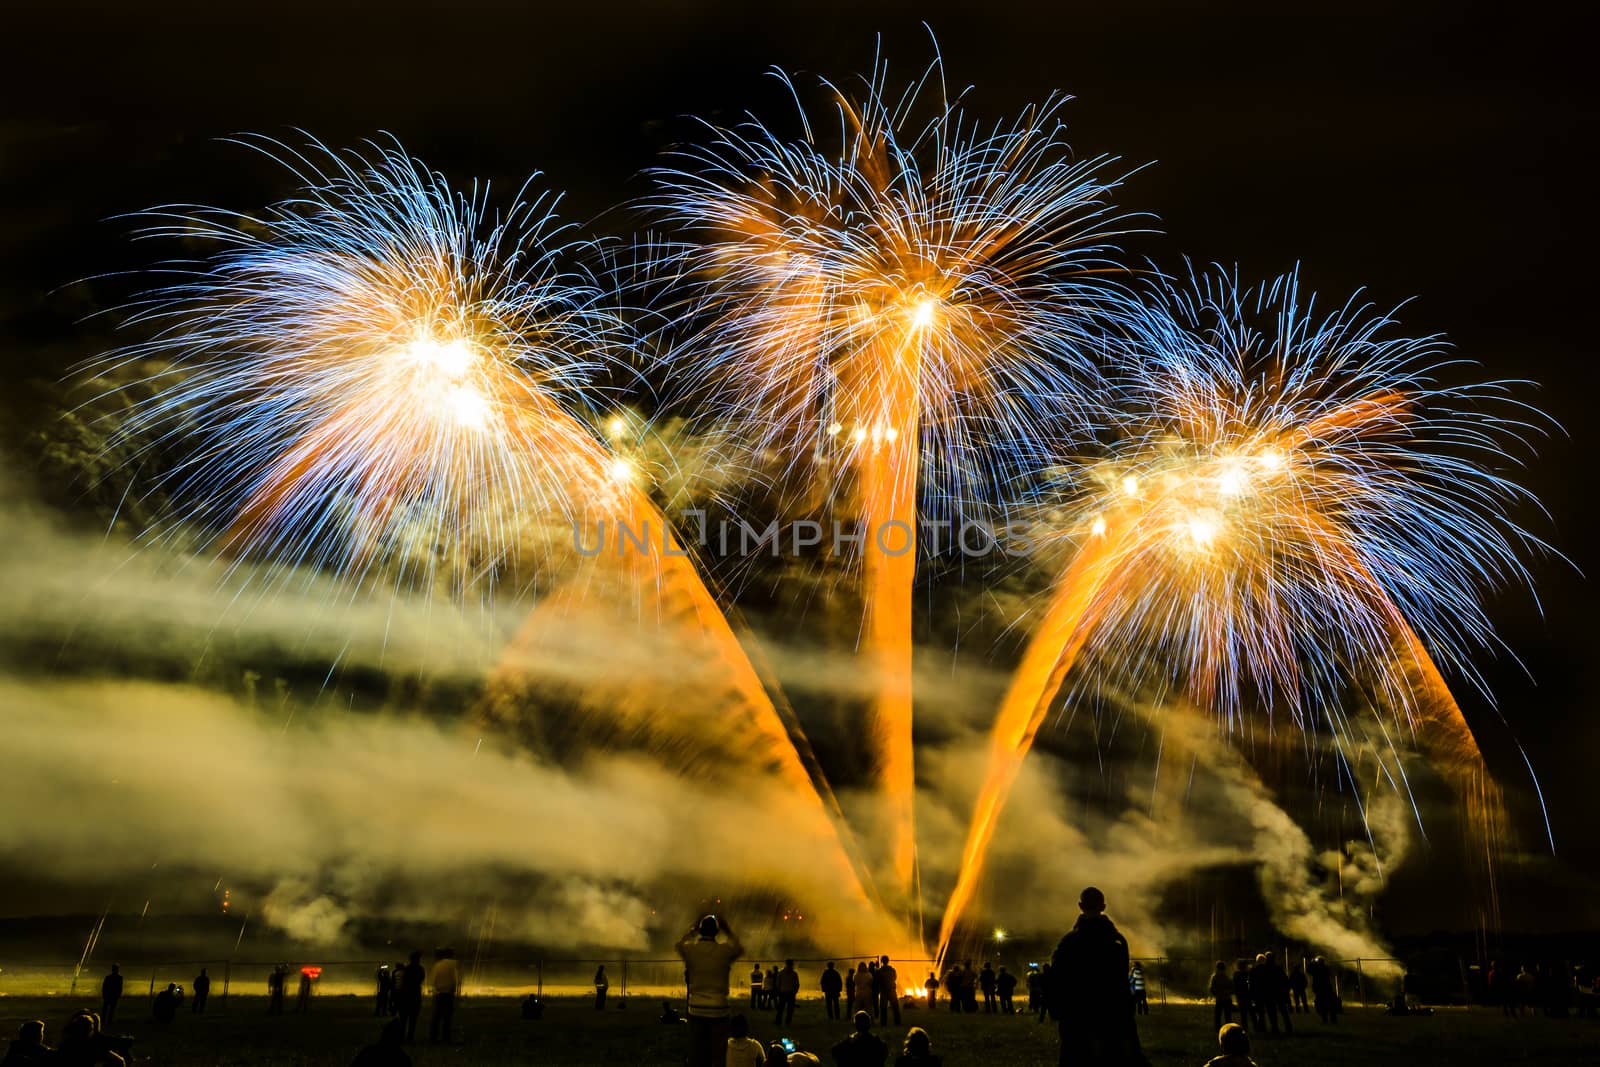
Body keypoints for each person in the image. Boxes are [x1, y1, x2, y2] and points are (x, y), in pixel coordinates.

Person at [1049, 886, 1142, 1067]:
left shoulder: (1069, 942)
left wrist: (1058, 1009)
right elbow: (1120, 980)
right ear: (1103, 907)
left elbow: (1057, 979)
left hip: (1077, 1015)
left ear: (1081, 906)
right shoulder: (1117, 941)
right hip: (1110, 1015)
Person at [676, 914, 744, 1067]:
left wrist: (692, 930)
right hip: (719, 1009)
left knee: (696, 1054)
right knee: (718, 1055)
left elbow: (679, 944)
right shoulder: (724, 951)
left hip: (696, 1009)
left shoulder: (691, 950)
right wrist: (728, 930)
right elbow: (739, 948)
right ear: (717, 932)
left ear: (700, 931)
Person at [429, 948, 459, 1043]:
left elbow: (433, 980)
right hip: (448, 993)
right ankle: (446, 1037)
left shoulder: (437, 965)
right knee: (447, 1017)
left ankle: (433, 1037)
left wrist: (435, 990)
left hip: (439, 993)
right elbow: (456, 978)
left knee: (436, 1017)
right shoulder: (454, 964)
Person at [396, 951, 425, 1041]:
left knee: (403, 1019)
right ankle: (410, 1037)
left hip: (405, 996)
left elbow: (403, 983)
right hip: (415, 996)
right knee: (413, 1020)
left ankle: (401, 1037)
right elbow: (421, 979)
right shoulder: (420, 969)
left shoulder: (406, 969)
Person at [1308, 956, 1339, 1023]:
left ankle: (1325, 1019)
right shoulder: (1326, 968)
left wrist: (1312, 962)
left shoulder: (1317, 969)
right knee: (1330, 1004)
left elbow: (1309, 970)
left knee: (1322, 1004)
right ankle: (1332, 1019)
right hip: (1327, 988)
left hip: (1321, 989)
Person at [875, 956, 900, 1026]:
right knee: (895, 1007)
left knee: (883, 1008)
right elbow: (895, 978)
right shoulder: (892, 970)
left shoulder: (879, 971)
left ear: (882, 961)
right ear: (888, 961)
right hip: (891, 990)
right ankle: (897, 1022)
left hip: (883, 991)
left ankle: (883, 1023)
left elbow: (877, 980)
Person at [1209, 961, 1233, 1030]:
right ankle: (1229, 1028)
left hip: (1219, 999)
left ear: (1217, 968)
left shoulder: (1215, 977)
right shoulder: (1227, 977)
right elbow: (1232, 988)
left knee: (1218, 1015)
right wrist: (1228, 993)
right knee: (1227, 1016)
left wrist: (1216, 994)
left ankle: (1217, 1028)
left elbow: (1212, 988)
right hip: (1227, 999)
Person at [775, 959, 800, 1025]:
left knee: (781, 1008)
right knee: (790, 1009)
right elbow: (797, 984)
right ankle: (787, 1022)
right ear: (792, 964)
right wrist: (795, 991)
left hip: (783, 993)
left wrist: (779, 991)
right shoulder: (794, 974)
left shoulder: (781, 973)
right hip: (791, 993)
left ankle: (778, 1021)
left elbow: (778, 983)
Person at [1230, 960, 1252, 1031]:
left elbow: (1234, 985)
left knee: (1243, 1013)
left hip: (1240, 995)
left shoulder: (1236, 974)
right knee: (1251, 1012)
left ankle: (1245, 1028)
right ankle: (1256, 1026)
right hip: (1246, 995)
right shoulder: (1246, 974)